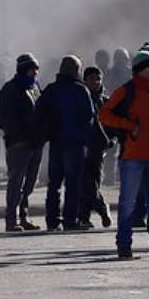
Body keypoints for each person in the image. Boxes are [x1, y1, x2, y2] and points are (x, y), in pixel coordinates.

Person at [99, 47, 149, 260]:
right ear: (140, 69)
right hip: (133, 156)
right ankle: (124, 245)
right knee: (127, 203)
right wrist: (129, 126)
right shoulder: (126, 91)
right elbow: (104, 114)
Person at [37, 55, 95, 231]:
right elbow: (89, 116)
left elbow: (39, 111)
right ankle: (70, 220)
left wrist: (47, 132)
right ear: (77, 70)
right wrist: (86, 141)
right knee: (73, 184)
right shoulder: (80, 90)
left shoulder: (51, 90)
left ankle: (52, 220)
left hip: (56, 143)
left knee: (54, 184)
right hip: (75, 144)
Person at [0, 53, 43, 232]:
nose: (35, 73)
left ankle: (23, 217)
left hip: (35, 144)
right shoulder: (10, 90)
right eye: (32, 70)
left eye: (36, 70)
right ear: (23, 70)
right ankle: (12, 220)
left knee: (30, 183)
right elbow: (4, 119)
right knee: (16, 183)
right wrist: (21, 139)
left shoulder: (35, 88)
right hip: (19, 145)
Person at [78, 66, 114, 228]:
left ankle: (85, 216)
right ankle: (99, 209)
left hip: (99, 150)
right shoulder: (81, 99)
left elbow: (114, 125)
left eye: (98, 79)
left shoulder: (105, 102)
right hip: (82, 147)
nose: (95, 82)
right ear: (84, 80)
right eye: (91, 79)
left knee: (92, 183)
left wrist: (110, 141)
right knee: (86, 183)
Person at [102, 48, 132, 186]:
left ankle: (118, 175)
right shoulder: (112, 74)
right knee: (112, 148)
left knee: (125, 148)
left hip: (126, 115)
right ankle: (111, 176)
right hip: (115, 114)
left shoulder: (130, 74)